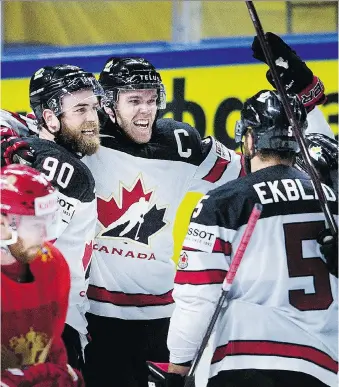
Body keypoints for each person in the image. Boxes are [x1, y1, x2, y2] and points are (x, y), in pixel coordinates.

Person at [165, 90, 338, 387]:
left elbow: (197, 298)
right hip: (323, 367)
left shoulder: (223, 202)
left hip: (246, 360)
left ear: (249, 139)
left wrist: (177, 368)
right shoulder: (331, 201)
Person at [0, 64, 104, 371]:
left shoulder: (41, 143)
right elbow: (24, 254)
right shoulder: (63, 168)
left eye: (94, 108)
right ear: (49, 118)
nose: (92, 120)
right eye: (80, 109)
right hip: (43, 326)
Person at [1, 164, 84, 387]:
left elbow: (49, 342)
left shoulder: (52, 263)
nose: (44, 235)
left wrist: (60, 375)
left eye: (46, 222)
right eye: (35, 224)